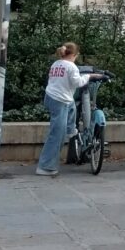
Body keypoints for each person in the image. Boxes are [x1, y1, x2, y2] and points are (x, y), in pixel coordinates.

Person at [37, 42, 96, 176]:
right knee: (56, 135)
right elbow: (78, 83)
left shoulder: (56, 64)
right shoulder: (71, 66)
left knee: (71, 106)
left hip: (51, 96)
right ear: (75, 55)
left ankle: (70, 130)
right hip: (60, 100)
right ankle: (45, 167)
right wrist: (89, 76)